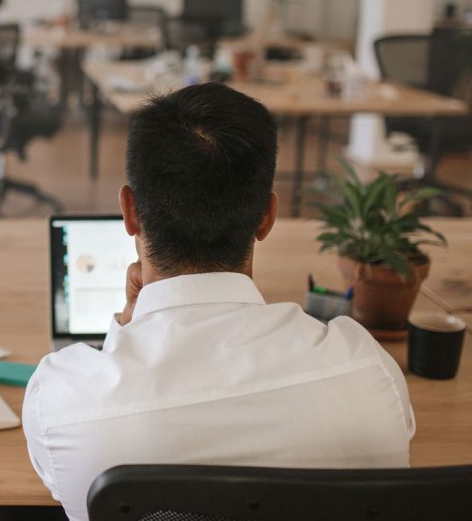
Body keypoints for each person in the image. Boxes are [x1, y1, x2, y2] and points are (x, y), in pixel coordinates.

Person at [22, 83, 414, 521]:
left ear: (129, 213)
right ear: (266, 216)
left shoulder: (62, 401)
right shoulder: (367, 374)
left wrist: (127, 324)